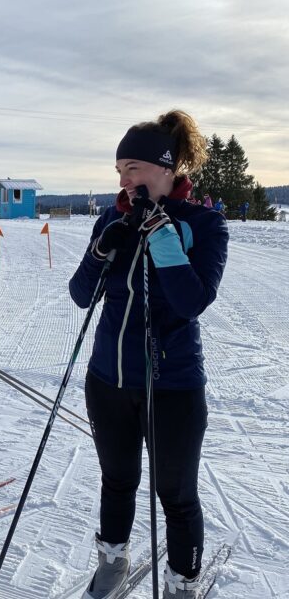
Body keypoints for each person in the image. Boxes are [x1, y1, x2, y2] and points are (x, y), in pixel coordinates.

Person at [69, 110, 228, 599]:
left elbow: (192, 301)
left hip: (172, 384)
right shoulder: (110, 218)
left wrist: (163, 238)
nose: (124, 179)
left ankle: (182, 583)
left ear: (167, 166)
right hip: (108, 380)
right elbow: (80, 294)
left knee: (175, 496)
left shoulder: (203, 223)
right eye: (119, 170)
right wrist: (101, 251)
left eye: (133, 167)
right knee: (117, 481)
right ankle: (113, 563)